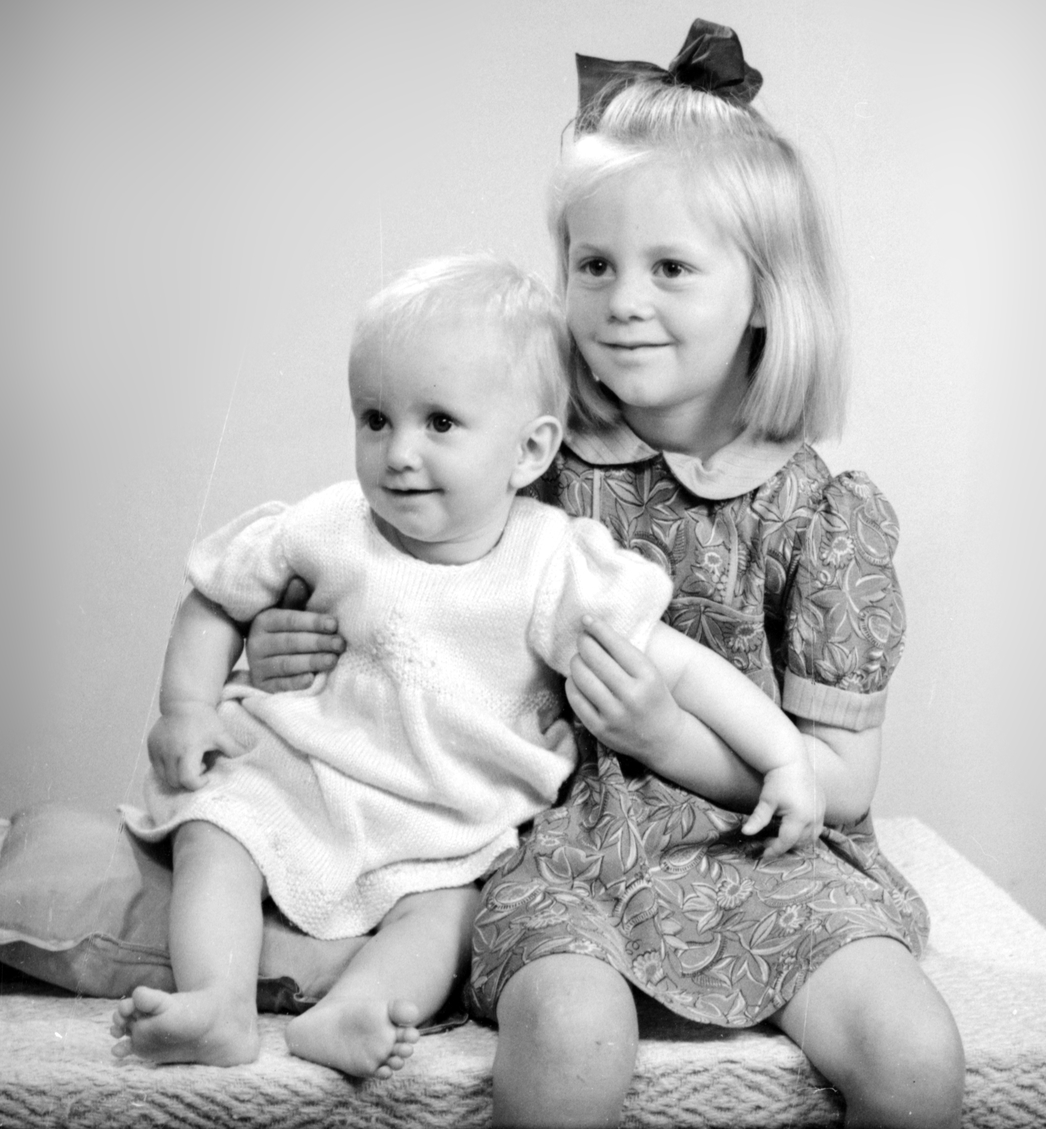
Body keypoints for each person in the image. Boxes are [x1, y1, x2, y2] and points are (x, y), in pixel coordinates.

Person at [247, 21, 965, 1127]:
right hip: (550, 842)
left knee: (914, 1056)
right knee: (572, 1037)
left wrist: (666, 740)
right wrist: (287, 641)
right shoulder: (524, 461)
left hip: (768, 849)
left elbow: (838, 782)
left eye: (670, 268)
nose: (622, 300)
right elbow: (386, 590)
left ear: (763, 295)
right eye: (594, 265)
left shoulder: (822, 515)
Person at [111, 254, 824, 1081]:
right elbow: (215, 598)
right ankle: (217, 1003)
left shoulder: (550, 563)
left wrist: (784, 755)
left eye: (440, 424)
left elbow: (683, 667)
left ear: (529, 450)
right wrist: (187, 707)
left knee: (450, 913)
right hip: (299, 774)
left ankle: (358, 1008)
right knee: (215, 828)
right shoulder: (330, 524)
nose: (399, 453)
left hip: (443, 817)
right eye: (375, 419)